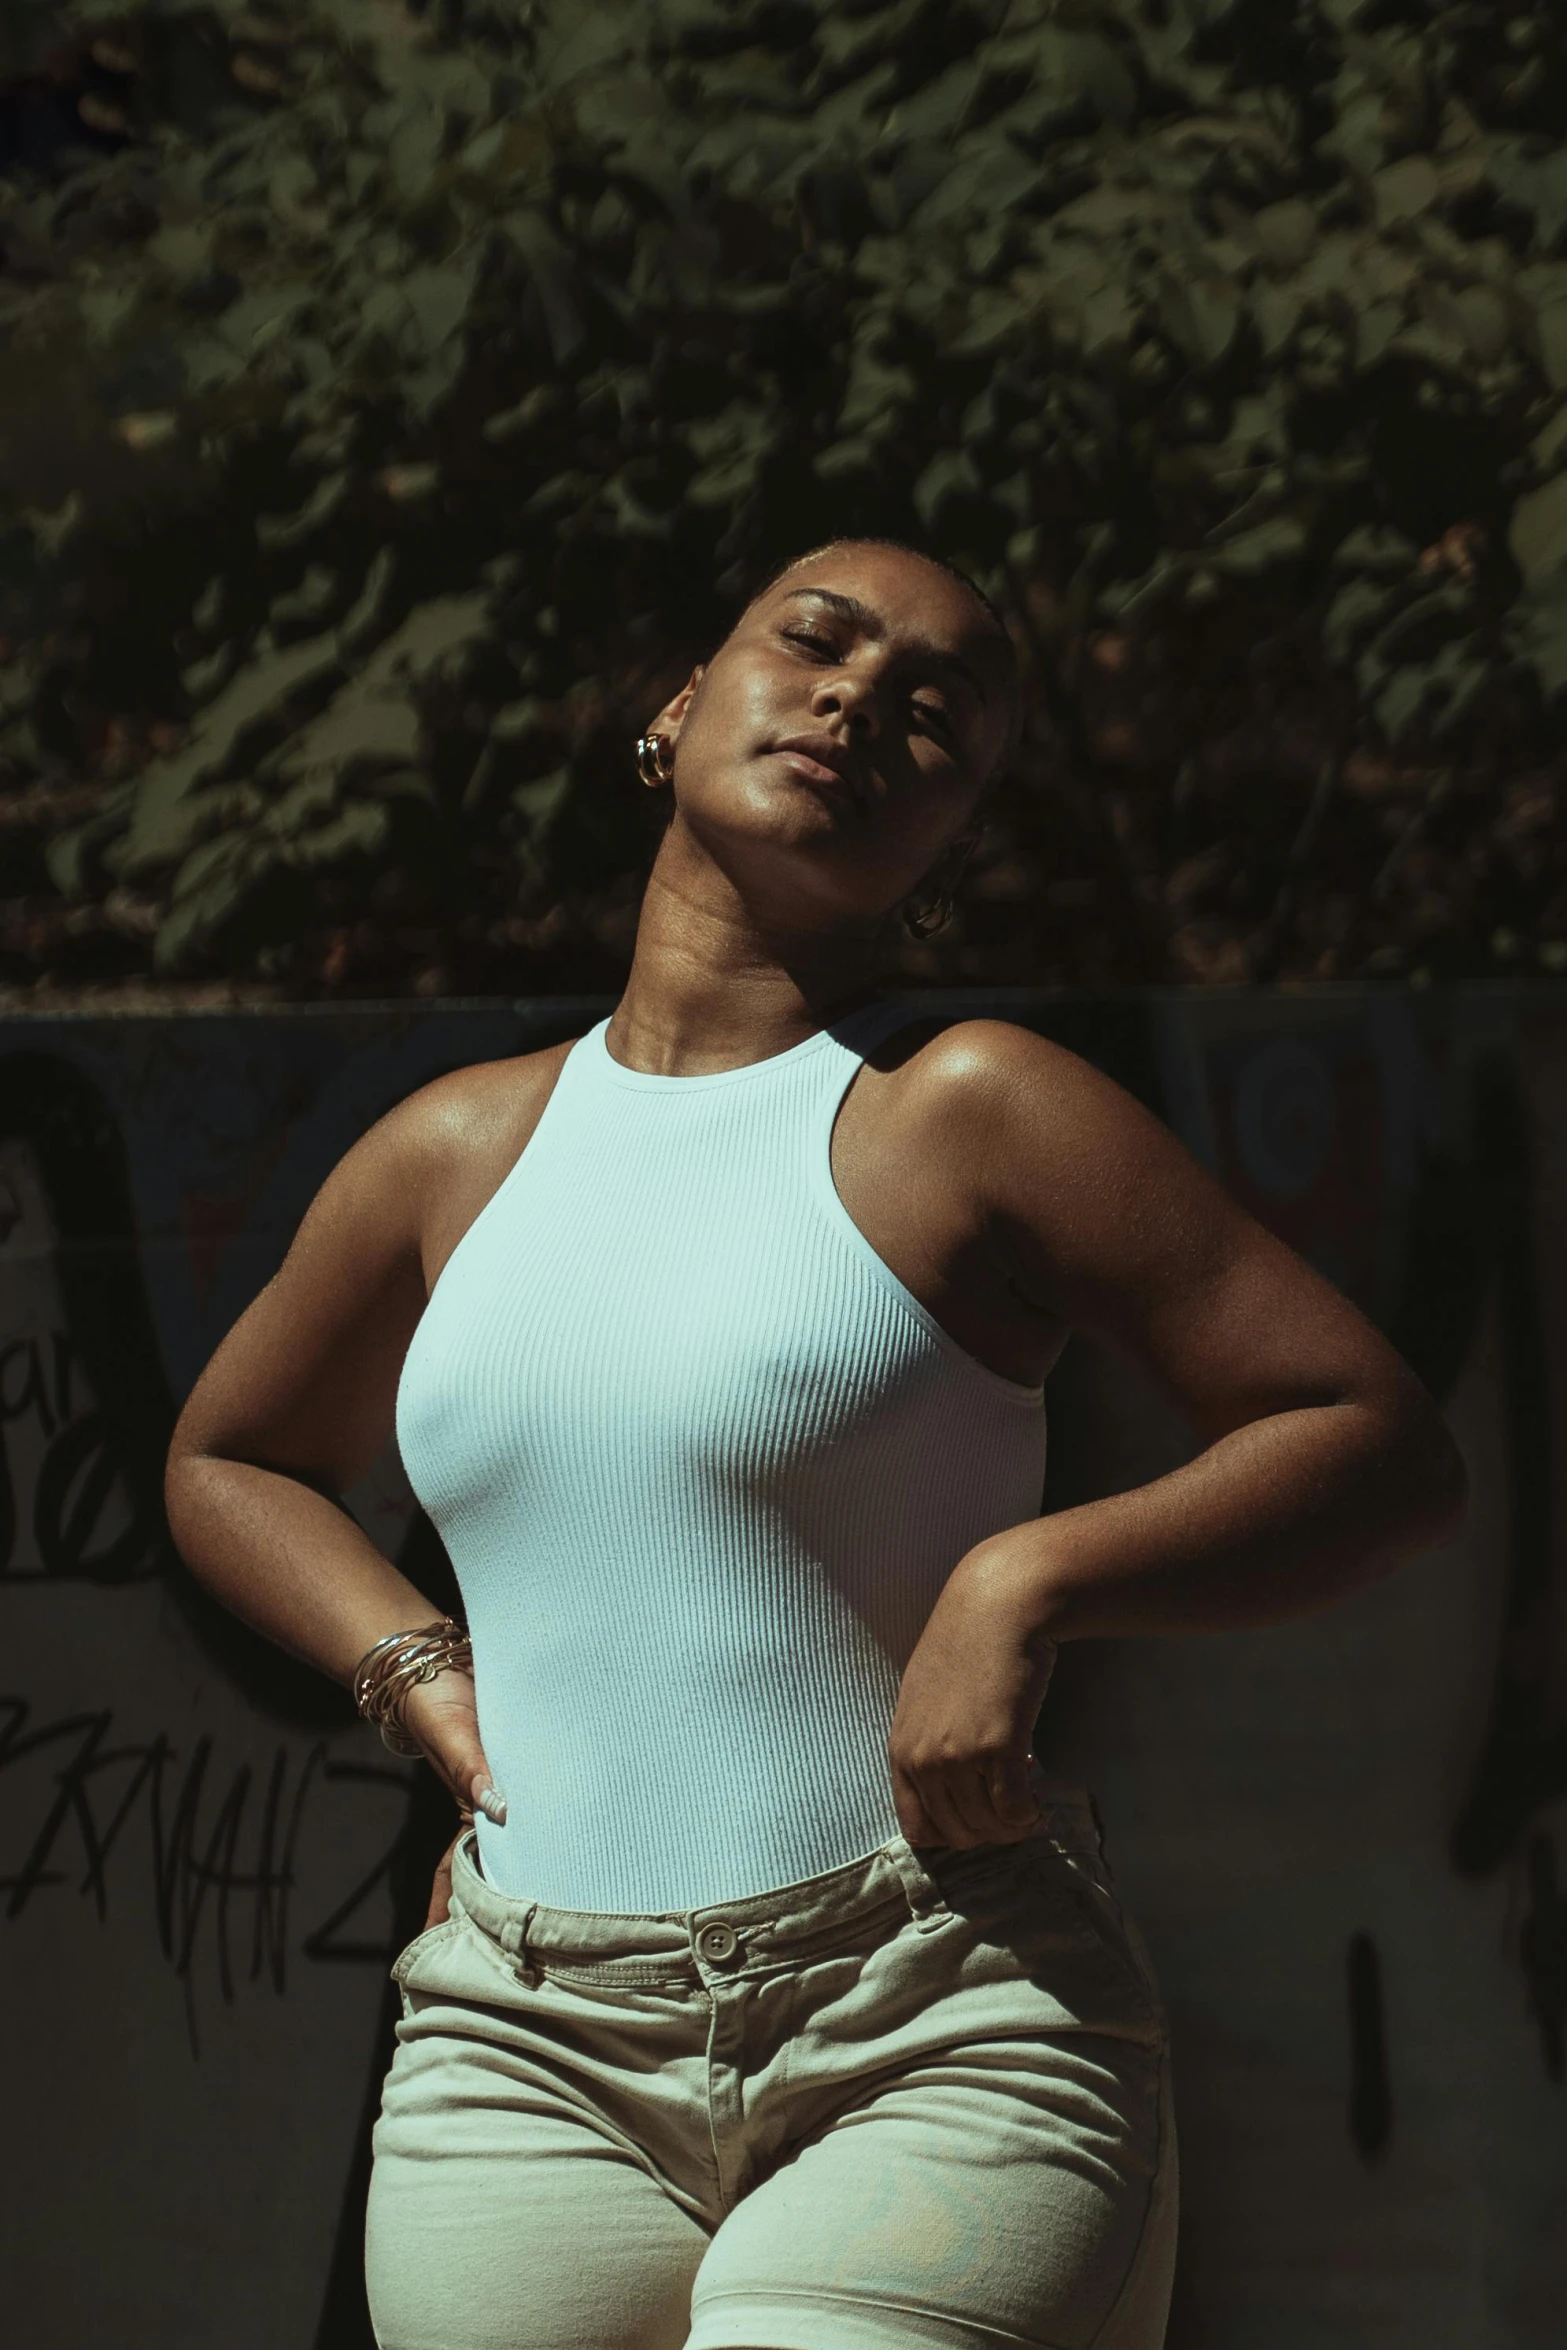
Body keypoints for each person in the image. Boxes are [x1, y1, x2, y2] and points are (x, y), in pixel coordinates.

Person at [165, 537, 1467, 2350]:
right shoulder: (448, 1154)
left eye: (936, 713)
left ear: (952, 838)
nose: (861, 699)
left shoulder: (964, 1111)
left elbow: (1377, 1438)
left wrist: (1027, 1579)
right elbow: (228, 1463)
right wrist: (413, 1671)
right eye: (818, 643)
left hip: (931, 2010)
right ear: (679, 708)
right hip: (520, 2039)